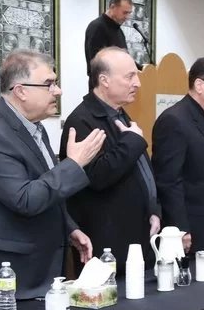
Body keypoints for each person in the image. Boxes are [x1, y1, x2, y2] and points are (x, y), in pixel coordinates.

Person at [0, 50, 105, 298]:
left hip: (32, 271)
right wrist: (74, 163)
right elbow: (25, 199)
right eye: (49, 84)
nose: (58, 91)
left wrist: (69, 228)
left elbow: (42, 185)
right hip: (2, 279)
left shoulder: (33, 127)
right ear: (21, 91)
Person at [59, 48, 161, 273]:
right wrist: (133, 141)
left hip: (139, 234)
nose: (137, 83)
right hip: (108, 242)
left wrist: (154, 208)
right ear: (104, 80)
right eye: (130, 77)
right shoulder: (82, 120)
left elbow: (141, 171)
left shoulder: (119, 113)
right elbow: (97, 176)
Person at [152, 58, 204, 254]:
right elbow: (168, 181)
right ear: (199, 85)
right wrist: (180, 228)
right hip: (191, 230)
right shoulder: (174, 120)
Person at [83, 0, 131, 78]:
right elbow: (97, 63)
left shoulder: (118, 30)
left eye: (129, 13)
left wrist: (143, 69)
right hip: (103, 82)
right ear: (112, 7)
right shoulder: (97, 27)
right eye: (125, 12)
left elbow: (125, 58)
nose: (127, 17)